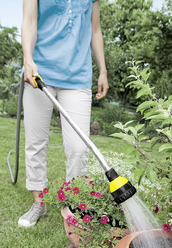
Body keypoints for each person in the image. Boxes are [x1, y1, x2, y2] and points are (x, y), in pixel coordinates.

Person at [18, 0, 109, 227]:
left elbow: (95, 30)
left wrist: (103, 70)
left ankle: (75, 204)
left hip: (77, 77)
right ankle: (39, 202)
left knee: (79, 148)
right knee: (36, 143)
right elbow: (29, 21)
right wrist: (28, 59)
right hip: (39, 73)